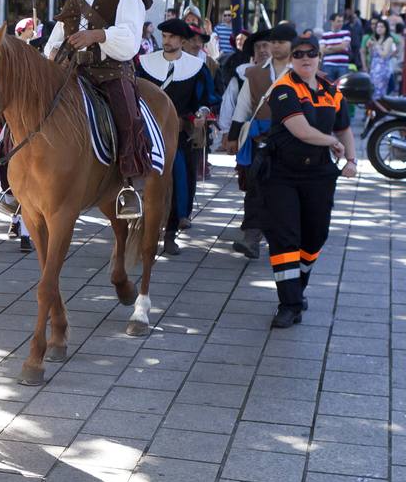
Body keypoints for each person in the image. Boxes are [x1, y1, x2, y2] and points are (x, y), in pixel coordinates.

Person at [45, 0, 151, 220]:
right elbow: (58, 35)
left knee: (126, 116)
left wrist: (97, 35)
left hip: (111, 73)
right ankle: (15, 181)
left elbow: (130, 40)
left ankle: (131, 184)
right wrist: (50, 55)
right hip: (73, 73)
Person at [258, 34, 358, 329]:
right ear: (290, 59)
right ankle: (288, 304)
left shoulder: (331, 90)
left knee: (315, 238)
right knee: (286, 238)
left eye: (310, 53)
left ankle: (296, 291)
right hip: (281, 174)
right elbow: (300, 129)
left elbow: (344, 129)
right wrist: (331, 142)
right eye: (298, 54)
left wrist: (351, 159)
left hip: (319, 175)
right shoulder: (284, 88)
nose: (305, 58)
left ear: (319, 57)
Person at [138, 18, 213, 254]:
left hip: (177, 133)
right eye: (164, 36)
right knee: (139, 181)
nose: (167, 41)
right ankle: (138, 230)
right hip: (145, 132)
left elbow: (206, 99)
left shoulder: (196, 67)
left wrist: (201, 113)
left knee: (176, 182)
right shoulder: (145, 63)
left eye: (172, 37)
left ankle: (170, 233)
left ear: (182, 40)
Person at [227, 22, 298, 259]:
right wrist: (233, 137)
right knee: (256, 188)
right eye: (273, 42)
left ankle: (283, 239)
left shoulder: (301, 72)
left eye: (280, 42)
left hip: (293, 141)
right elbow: (243, 106)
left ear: (291, 45)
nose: (275, 46)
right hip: (261, 140)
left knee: (286, 192)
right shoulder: (254, 73)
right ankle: (251, 239)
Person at [365, 18, 397, 100]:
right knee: (372, 90)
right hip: (374, 68)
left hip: (382, 69)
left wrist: (375, 45)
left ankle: (379, 110)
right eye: (378, 27)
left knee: (380, 92)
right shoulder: (376, 39)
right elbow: (372, 55)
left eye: (382, 27)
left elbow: (384, 54)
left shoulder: (389, 39)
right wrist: (369, 47)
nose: (379, 28)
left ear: (386, 28)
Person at [320, 13, 352, 85]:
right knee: (328, 87)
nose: (341, 23)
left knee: (342, 89)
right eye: (338, 21)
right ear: (332, 21)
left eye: (342, 21)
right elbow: (322, 50)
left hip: (342, 65)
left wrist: (330, 47)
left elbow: (343, 47)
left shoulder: (346, 33)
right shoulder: (325, 35)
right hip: (328, 65)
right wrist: (339, 47)